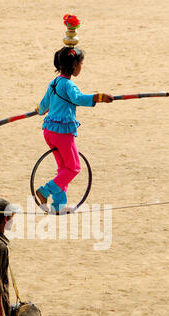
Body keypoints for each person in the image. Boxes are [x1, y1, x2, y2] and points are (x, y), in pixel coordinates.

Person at [36, 46, 114, 213]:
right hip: (62, 132)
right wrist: (99, 97)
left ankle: (58, 205)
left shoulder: (54, 82)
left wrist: (38, 110)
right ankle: (45, 190)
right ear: (74, 65)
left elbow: (43, 106)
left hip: (49, 131)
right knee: (73, 168)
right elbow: (77, 99)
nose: (81, 67)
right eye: (81, 63)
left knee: (63, 168)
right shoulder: (68, 84)